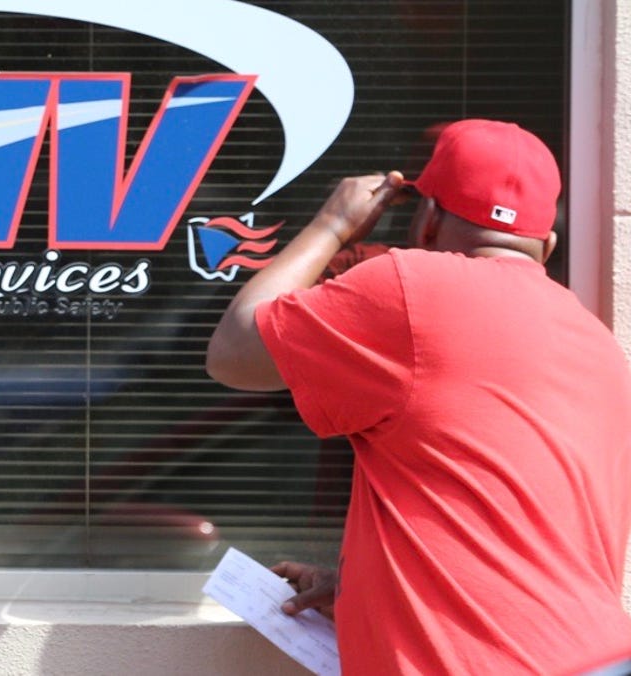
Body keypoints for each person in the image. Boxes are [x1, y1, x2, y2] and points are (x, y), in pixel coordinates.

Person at [205, 119, 631, 675]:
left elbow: (234, 352)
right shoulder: (597, 341)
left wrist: (332, 225)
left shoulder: (409, 286)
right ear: (546, 246)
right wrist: (368, 586)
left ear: (427, 219)